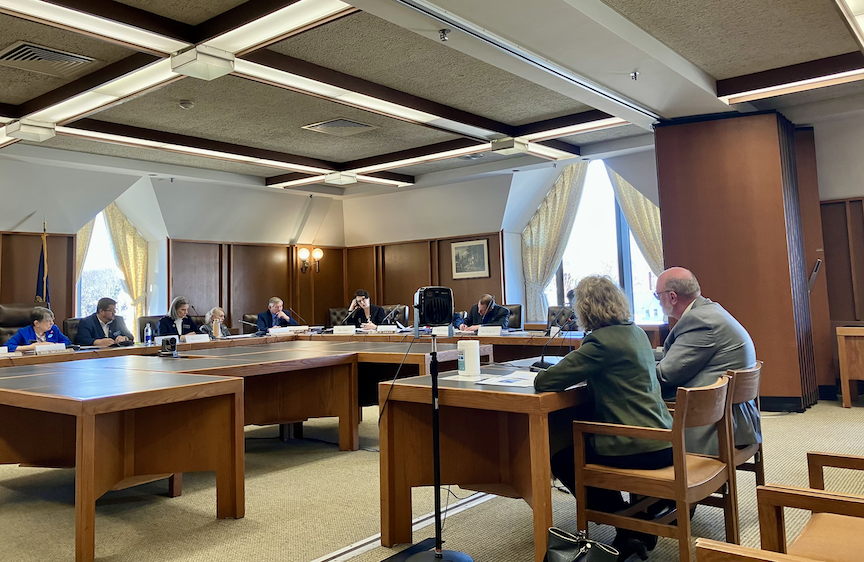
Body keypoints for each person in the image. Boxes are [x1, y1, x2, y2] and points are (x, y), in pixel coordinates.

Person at [534, 276, 673, 561]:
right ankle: (633, 525)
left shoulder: (600, 342)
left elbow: (547, 381)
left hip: (638, 446)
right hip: (662, 438)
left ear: (586, 309)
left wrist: (544, 370)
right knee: (580, 442)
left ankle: (626, 523)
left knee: (562, 458)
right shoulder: (634, 332)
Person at [654, 267, 760, 456]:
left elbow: (664, 376)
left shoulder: (699, 321)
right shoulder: (710, 310)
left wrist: (633, 365)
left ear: (672, 297)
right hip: (737, 418)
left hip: (716, 427)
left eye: (657, 295)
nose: (658, 300)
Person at [5, 307, 71, 352]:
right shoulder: (24, 332)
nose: (52, 323)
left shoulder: (54, 329)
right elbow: (7, 347)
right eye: (48, 321)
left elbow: (67, 341)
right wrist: (31, 347)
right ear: (37, 323)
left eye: (52, 320)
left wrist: (53, 345)